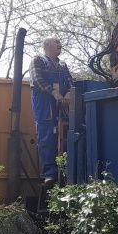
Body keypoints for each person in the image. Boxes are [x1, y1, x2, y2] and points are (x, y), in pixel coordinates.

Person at [30, 36, 73, 185]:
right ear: (47, 45)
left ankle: (66, 170)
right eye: (57, 42)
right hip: (45, 107)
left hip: (62, 107)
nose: (60, 44)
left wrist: (68, 94)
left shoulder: (62, 64)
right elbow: (37, 80)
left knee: (66, 136)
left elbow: (70, 82)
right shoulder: (38, 60)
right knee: (47, 139)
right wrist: (54, 93)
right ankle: (50, 173)